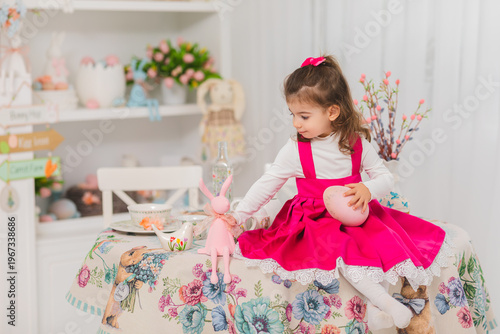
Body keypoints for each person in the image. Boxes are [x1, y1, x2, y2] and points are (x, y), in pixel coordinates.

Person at [233, 55, 450, 330]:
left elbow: (385, 178)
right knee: (345, 253)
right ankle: (386, 303)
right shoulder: (295, 150)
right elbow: (268, 183)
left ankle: (377, 309)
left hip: (357, 216)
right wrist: (238, 215)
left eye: (304, 116)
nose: (296, 124)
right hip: (313, 222)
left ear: (332, 112)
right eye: (293, 115)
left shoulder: (355, 143)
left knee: (381, 249)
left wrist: (367, 189)